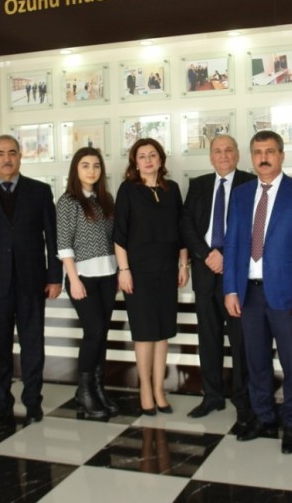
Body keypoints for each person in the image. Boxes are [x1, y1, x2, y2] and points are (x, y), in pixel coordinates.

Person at [223, 130, 292, 455]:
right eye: (258, 152)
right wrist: (230, 290)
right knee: (257, 361)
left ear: (281, 155)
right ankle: (264, 417)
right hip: (248, 294)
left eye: (269, 152)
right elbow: (233, 245)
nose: (263, 158)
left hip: (288, 296)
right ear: (252, 157)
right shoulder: (241, 195)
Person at [0, 135, 62, 427]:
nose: (6, 159)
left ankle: (33, 402)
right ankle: (1, 404)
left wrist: (54, 277)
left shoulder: (39, 191)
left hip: (33, 282)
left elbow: (52, 237)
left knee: (33, 344)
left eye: (11, 153)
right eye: (0, 153)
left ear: (20, 156)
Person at [180, 135, 256, 426]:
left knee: (241, 341)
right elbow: (186, 225)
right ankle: (212, 396)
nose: (223, 155)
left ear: (237, 154)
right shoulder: (198, 185)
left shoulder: (251, 183)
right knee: (208, 338)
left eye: (228, 150)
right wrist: (206, 254)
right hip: (204, 273)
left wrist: (225, 256)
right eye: (217, 151)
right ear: (211, 156)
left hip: (236, 276)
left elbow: (255, 228)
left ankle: (243, 399)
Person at [114, 138, 189, 415]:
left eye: (152, 155)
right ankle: (145, 388)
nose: (148, 160)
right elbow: (119, 235)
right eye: (142, 156)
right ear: (135, 162)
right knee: (145, 333)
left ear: (160, 159)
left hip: (167, 270)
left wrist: (183, 265)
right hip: (138, 272)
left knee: (163, 333)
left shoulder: (172, 189)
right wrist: (124, 270)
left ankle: (159, 389)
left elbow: (181, 230)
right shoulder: (128, 190)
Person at [57, 147, 118, 420]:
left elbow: (113, 239)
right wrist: (73, 280)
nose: (91, 170)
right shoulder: (68, 201)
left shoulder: (106, 199)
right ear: (76, 169)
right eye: (85, 165)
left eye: (96, 165)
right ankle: (84, 391)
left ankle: (97, 388)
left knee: (102, 333)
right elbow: (63, 244)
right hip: (82, 277)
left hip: (108, 275)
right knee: (93, 332)